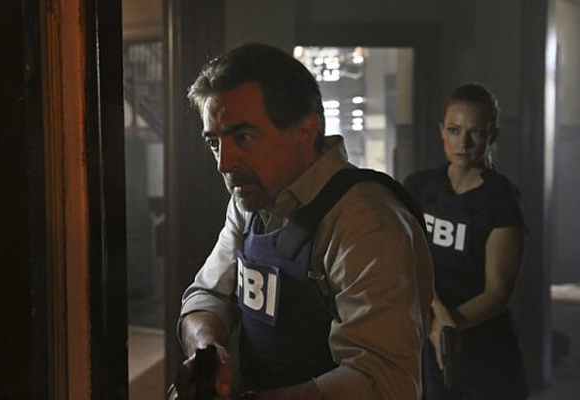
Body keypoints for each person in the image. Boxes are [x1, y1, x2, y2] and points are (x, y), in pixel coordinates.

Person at [178, 43, 434, 400]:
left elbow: (384, 382)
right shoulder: (252, 201)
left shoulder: (366, 220)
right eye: (214, 143)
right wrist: (207, 351)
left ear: (305, 131)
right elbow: (208, 293)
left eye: (243, 138)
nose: (225, 163)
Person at [403, 83, 528, 399]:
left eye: (476, 133)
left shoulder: (500, 198)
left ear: (491, 134)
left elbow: (499, 291)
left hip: (485, 345)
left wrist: (450, 323)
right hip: (430, 335)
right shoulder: (419, 187)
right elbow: (406, 260)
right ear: (441, 130)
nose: (463, 142)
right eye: (455, 130)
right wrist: (437, 314)